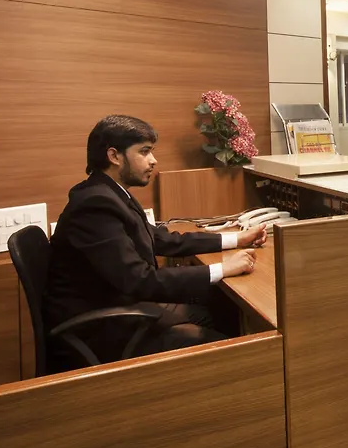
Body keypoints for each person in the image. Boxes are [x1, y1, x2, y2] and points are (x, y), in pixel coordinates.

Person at [44, 114, 266, 371]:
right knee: (223, 345)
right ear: (114, 156)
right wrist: (223, 269)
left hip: (117, 306)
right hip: (100, 329)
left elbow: (162, 239)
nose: (153, 160)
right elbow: (139, 280)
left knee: (218, 308)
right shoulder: (96, 205)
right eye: (144, 151)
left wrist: (236, 238)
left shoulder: (111, 193)